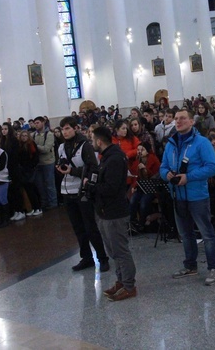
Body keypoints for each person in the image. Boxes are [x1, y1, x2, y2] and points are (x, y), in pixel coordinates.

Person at [160, 108, 215, 286]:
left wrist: (189, 177)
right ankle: (190, 266)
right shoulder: (171, 144)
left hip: (197, 196)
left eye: (183, 118)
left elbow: (212, 167)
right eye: (176, 119)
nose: (178, 121)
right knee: (185, 234)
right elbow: (163, 167)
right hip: (178, 196)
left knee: (206, 234)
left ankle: (213, 268)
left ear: (192, 122)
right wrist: (167, 175)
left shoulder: (202, 143)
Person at [56, 117, 110, 273]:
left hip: (82, 191)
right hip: (67, 191)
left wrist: (72, 171)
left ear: (75, 128)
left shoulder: (85, 145)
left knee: (90, 227)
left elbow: (93, 168)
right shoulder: (60, 147)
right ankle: (86, 257)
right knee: (78, 227)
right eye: (62, 129)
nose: (64, 132)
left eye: (67, 128)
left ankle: (102, 258)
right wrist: (60, 169)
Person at [90, 126, 136, 301]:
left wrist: (92, 187)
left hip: (114, 212)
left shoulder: (115, 158)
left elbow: (112, 187)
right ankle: (121, 281)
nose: (92, 143)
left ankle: (129, 286)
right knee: (113, 251)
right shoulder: (107, 157)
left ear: (99, 141)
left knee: (121, 251)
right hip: (105, 211)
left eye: (93, 139)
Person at [32, 116, 57, 210]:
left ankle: (53, 204)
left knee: (50, 184)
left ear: (43, 123)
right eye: (35, 123)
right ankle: (44, 203)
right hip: (38, 163)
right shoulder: (33, 135)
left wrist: (35, 146)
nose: (36, 125)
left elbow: (46, 149)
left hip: (48, 162)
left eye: (38, 122)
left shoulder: (49, 134)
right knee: (40, 185)